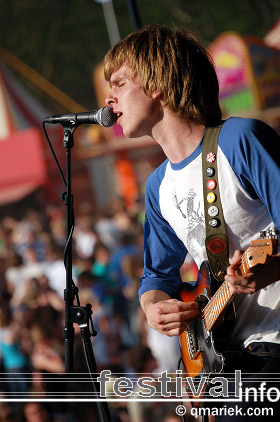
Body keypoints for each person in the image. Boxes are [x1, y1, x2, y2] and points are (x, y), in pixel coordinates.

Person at [103, 24, 280, 420]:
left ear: (157, 85)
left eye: (120, 81)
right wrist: (154, 308)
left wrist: (274, 267)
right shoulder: (157, 186)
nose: (108, 98)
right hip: (229, 361)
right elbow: (156, 279)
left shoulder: (240, 140)